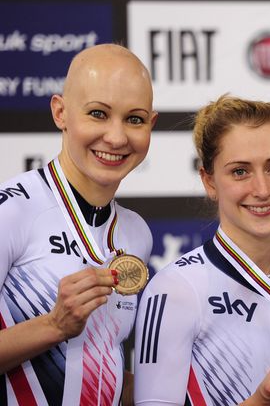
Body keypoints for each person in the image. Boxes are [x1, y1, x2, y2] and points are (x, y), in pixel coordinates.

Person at [133, 95, 270, 406]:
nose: (262, 189)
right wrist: (260, 402)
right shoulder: (175, 290)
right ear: (209, 180)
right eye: (240, 172)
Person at [0, 44, 157, 404]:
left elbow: (99, 366)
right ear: (61, 112)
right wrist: (53, 326)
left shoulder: (136, 233)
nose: (116, 137)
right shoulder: (12, 210)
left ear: (151, 125)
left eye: (134, 119)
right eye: (98, 114)